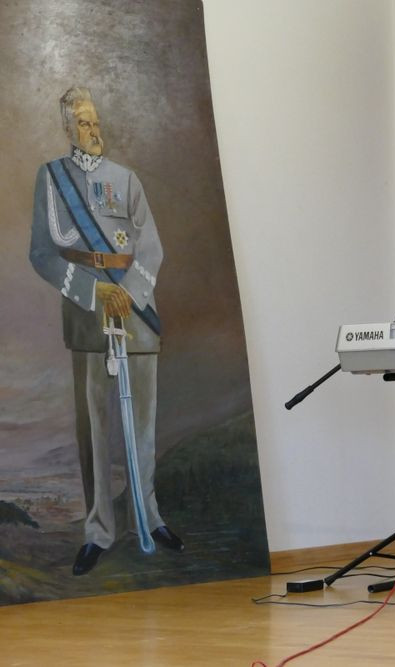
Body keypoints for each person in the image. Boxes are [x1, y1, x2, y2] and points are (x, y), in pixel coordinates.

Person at [29, 86, 184, 576]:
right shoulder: (52, 178)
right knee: (94, 429)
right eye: (84, 123)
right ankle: (99, 531)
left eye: (96, 122)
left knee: (144, 428)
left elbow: (151, 247)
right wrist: (95, 292)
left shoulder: (126, 179)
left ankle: (150, 519)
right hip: (87, 312)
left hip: (135, 312)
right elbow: (42, 253)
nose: (94, 131)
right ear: (67, 128)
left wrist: (128, 293)